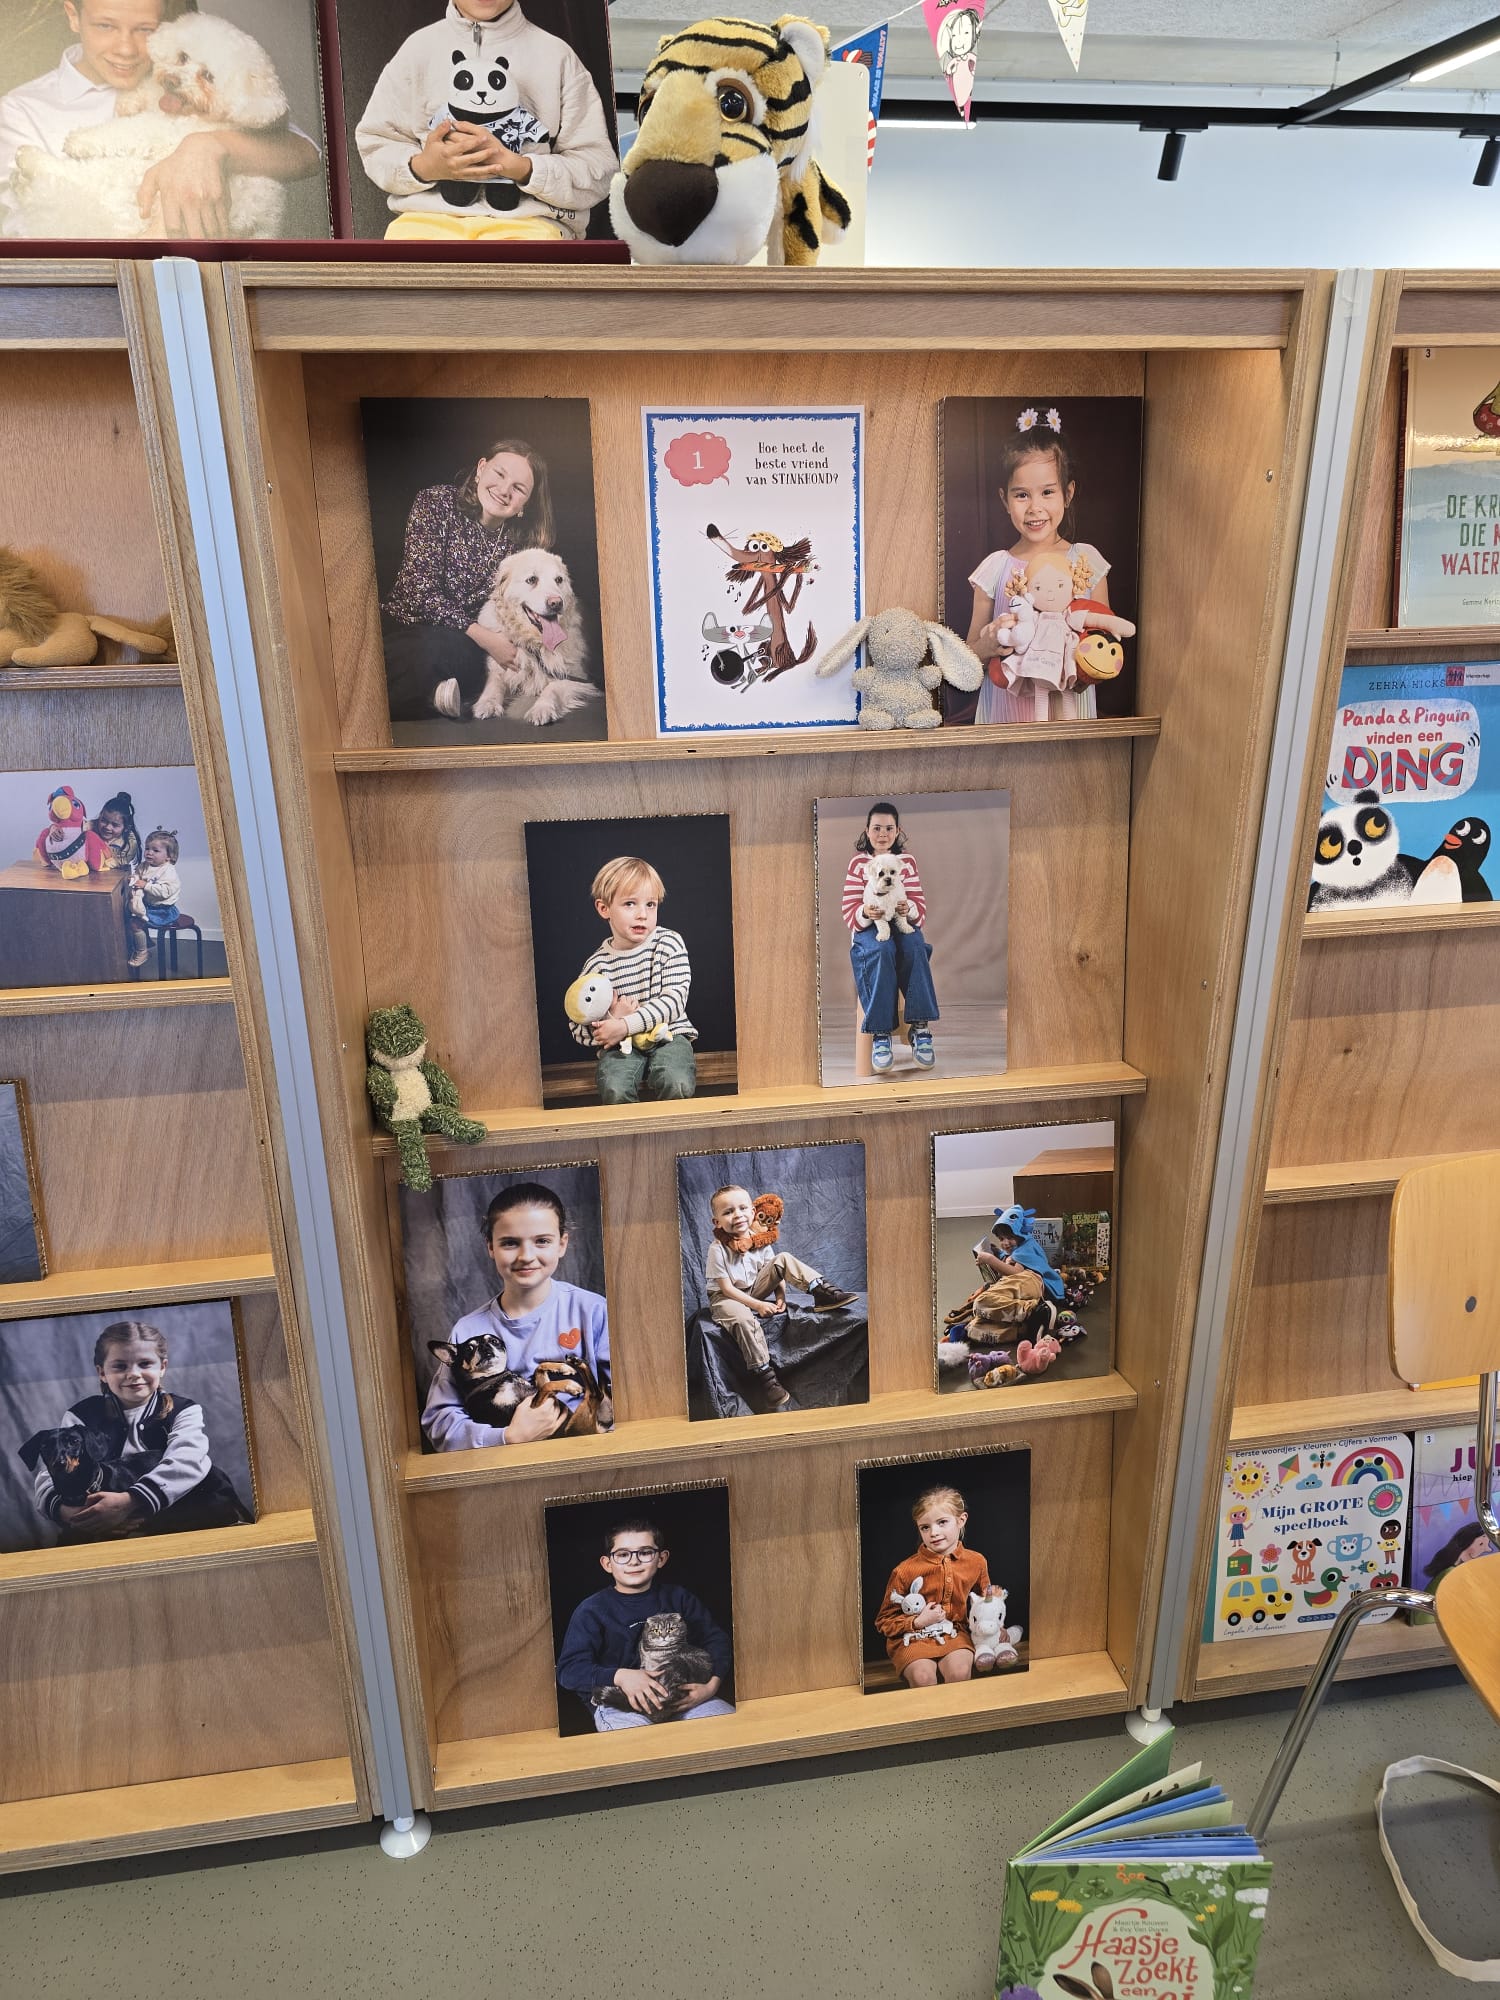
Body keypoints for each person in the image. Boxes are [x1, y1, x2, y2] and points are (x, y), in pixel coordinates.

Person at [0, 0, 320, 239]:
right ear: (73, 16)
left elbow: (307, 156)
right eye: (106, 26)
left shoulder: (196, 79)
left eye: (144, 29)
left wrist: (208, 146)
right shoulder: (20, 109)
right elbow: (22, 236)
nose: (126, 49)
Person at [355, 0, 616, 244]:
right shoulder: (417, 50)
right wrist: (424, 166)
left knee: (536, 265)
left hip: (530, 225)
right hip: (426, 222)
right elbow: (376, 143)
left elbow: (598, 168)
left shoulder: (557, 56)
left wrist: (524, 169)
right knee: (397, 261)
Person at [420, 1180, 610, 1450]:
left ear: (562, 1244)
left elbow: (627, 1402)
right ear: (490, 1247)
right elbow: (439, 1421)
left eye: (542, 1241)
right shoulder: (467, 1330)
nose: (526, 1256)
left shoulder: (593, 1311)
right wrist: (508, 1437)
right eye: (510, 1243)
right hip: (509, 1467)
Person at [964, 408, 1122, 723]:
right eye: (1022, 495)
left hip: (1069, 716)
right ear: (1004, 500)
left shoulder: (1086, 562)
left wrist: (1082, 664)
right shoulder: (995, 568)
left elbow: (1104, 643)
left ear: (1068, 493)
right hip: (1006, 719)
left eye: (1047, 492)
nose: (1035, 507)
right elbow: (967, 660)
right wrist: (989, 644)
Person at [30, 1318, 252, 1541]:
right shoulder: (81, 1416)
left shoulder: (185, 1410)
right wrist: (73, 1514)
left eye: (145, 1364)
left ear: (162, 1367)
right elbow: (48, 1473)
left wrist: (130, 1502)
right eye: (120, 1366)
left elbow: (187, 1460)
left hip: (184, 1511)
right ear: (102, 1372)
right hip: (100, 1517)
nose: (133, 1374)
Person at [380, 436, 552, 722]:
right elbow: (418, 590)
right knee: (410, 653)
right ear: (481, 468)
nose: (504, 490)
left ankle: (434, 694)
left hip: (463, 644)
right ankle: (432, 696)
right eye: (499, 474)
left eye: (519, 488)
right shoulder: (436, 502)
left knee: (480, 662)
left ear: (526, 502)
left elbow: (516, 609)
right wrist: (488, 639)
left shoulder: (521, 548)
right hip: (406, 626)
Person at [555, 1516, 735, 1731]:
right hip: (622, 1705)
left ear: (661, 1558)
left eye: (645, 1552)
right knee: (638, 1745)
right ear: (607, 1563)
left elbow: (716, 1640)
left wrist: (711, 1686)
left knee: (727, 1728)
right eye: (623, 1554)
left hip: (682, 1698)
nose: (634, 1561)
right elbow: (569, 1670)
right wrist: (620, 1676)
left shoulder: (678, 1598)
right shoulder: (592, 1610)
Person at [704, 1183, 857, 1413]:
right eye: (728, 1212)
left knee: (783, 1257)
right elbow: (726, 1289)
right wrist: (757, 1305)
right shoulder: (717, 1249)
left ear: (753, 1212)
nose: (737, 1215)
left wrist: (780, 1296)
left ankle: (821, 1291)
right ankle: (766, 1378)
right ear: (717, 1222)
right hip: (726, 1297)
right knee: (743, 1319)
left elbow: (775, 1268)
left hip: (752, 1289)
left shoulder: (759, 1239)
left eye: (743, 1208)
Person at [568, 856, 697, 1105]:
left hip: (669, 1036)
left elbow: (674, 1002)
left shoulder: (668, 943)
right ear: (604, 908)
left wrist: (625, 1024)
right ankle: (631, 1132)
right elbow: (577, 1024)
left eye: (651, 904)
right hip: (621, 1046)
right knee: (614, 1088)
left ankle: (671, 1130)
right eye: (630, 904)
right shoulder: (597, 966)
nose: (642, 915)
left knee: (676, 1081)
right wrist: (610, 1022)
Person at [840, 801, 939, 1076]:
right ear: (867, 831)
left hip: (900, 921)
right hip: (869, 928)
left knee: (915, 946)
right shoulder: (858, 863)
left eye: (888, 828)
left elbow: (919, 906)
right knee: (882, 951)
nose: (882, 834)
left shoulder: (907, 862)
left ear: (897, 831)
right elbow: (849, 911)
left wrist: (910, 909)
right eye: (876, 828)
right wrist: (865, 912)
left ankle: (920, 1027)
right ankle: (881, 1033)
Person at [874, 1483, 990, 1689]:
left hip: (954, 1633)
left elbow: (986, 1602)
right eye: (925, 1527)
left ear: (961, 1520)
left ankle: (958, 1711)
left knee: (959, 1672)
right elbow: (884, 1621)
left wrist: (997, 1625)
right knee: (923, 1678)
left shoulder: (976, 1561)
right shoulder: (904, 1570)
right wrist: (917, 1622)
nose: (933, 1533)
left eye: (942, 1522)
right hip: (912, 1638)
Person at [128, 824, 180, 967]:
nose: (149, 853)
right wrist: (134, 878)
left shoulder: (168, 871)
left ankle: (142, 952)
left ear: (169, 856)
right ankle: (146, 941)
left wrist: (146, 885)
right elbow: (138, 874)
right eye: (147, 848)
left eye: (155, 850)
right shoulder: (144, 865)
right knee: (127, 914)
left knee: (134, 924)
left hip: (163, 911)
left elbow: (166, 891)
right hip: (149, 906)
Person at [93, 790, 141, 871]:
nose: (108, 827)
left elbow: (122, 860)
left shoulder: (130, 842)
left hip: (114, 873)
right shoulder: (91, 827)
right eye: (103, 821)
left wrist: (105, 864)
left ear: (126, 828)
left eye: (115, 825)